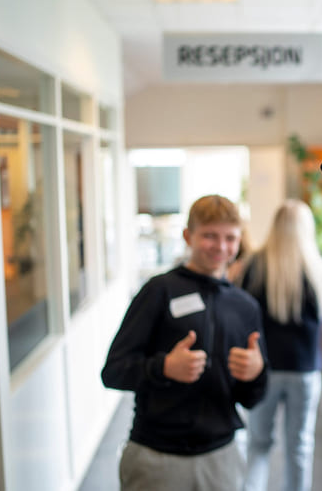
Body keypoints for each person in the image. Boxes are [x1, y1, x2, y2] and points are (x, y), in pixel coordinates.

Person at [101, 194, 268, 491]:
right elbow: (113, 371)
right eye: (209, 236)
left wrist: (256, 373)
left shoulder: (245, 307)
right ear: (188, 236)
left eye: (230, 238)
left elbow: (252, 397)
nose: (220, 246)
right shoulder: (158, 291)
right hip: (156, 458)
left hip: (222, 459)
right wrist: (163, 366)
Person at [239, 199, 322, 491]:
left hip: (264, 369)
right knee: (300, 447)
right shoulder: (318, 268)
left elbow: (241, 315)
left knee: (258, 445)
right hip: (304, 371)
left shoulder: (253, 265)